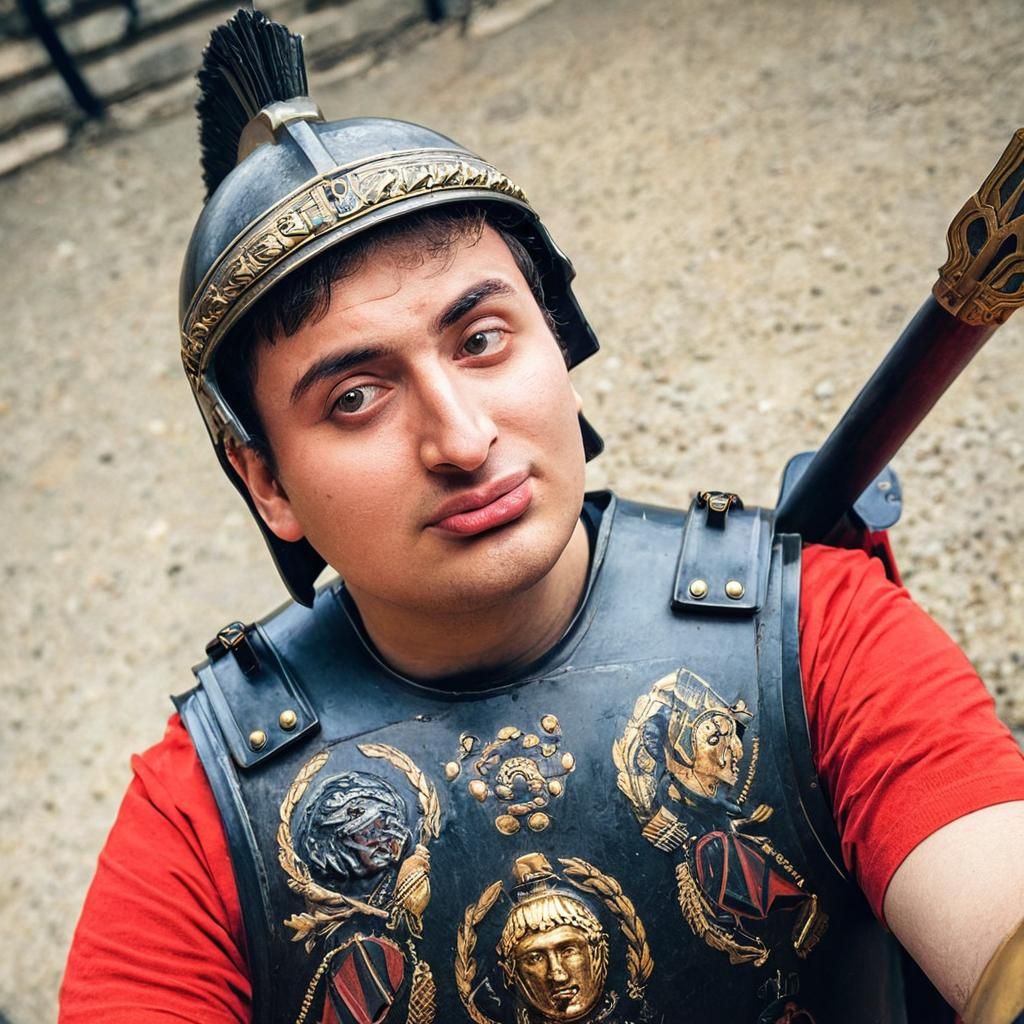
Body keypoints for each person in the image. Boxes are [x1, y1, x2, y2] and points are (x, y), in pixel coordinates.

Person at [60, 9, 1024, 1024]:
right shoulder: (201, 811)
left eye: (481, 338)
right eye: (355, 397)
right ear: (266, 483)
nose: (463, 437)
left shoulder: (814, 630)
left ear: (555, 341)